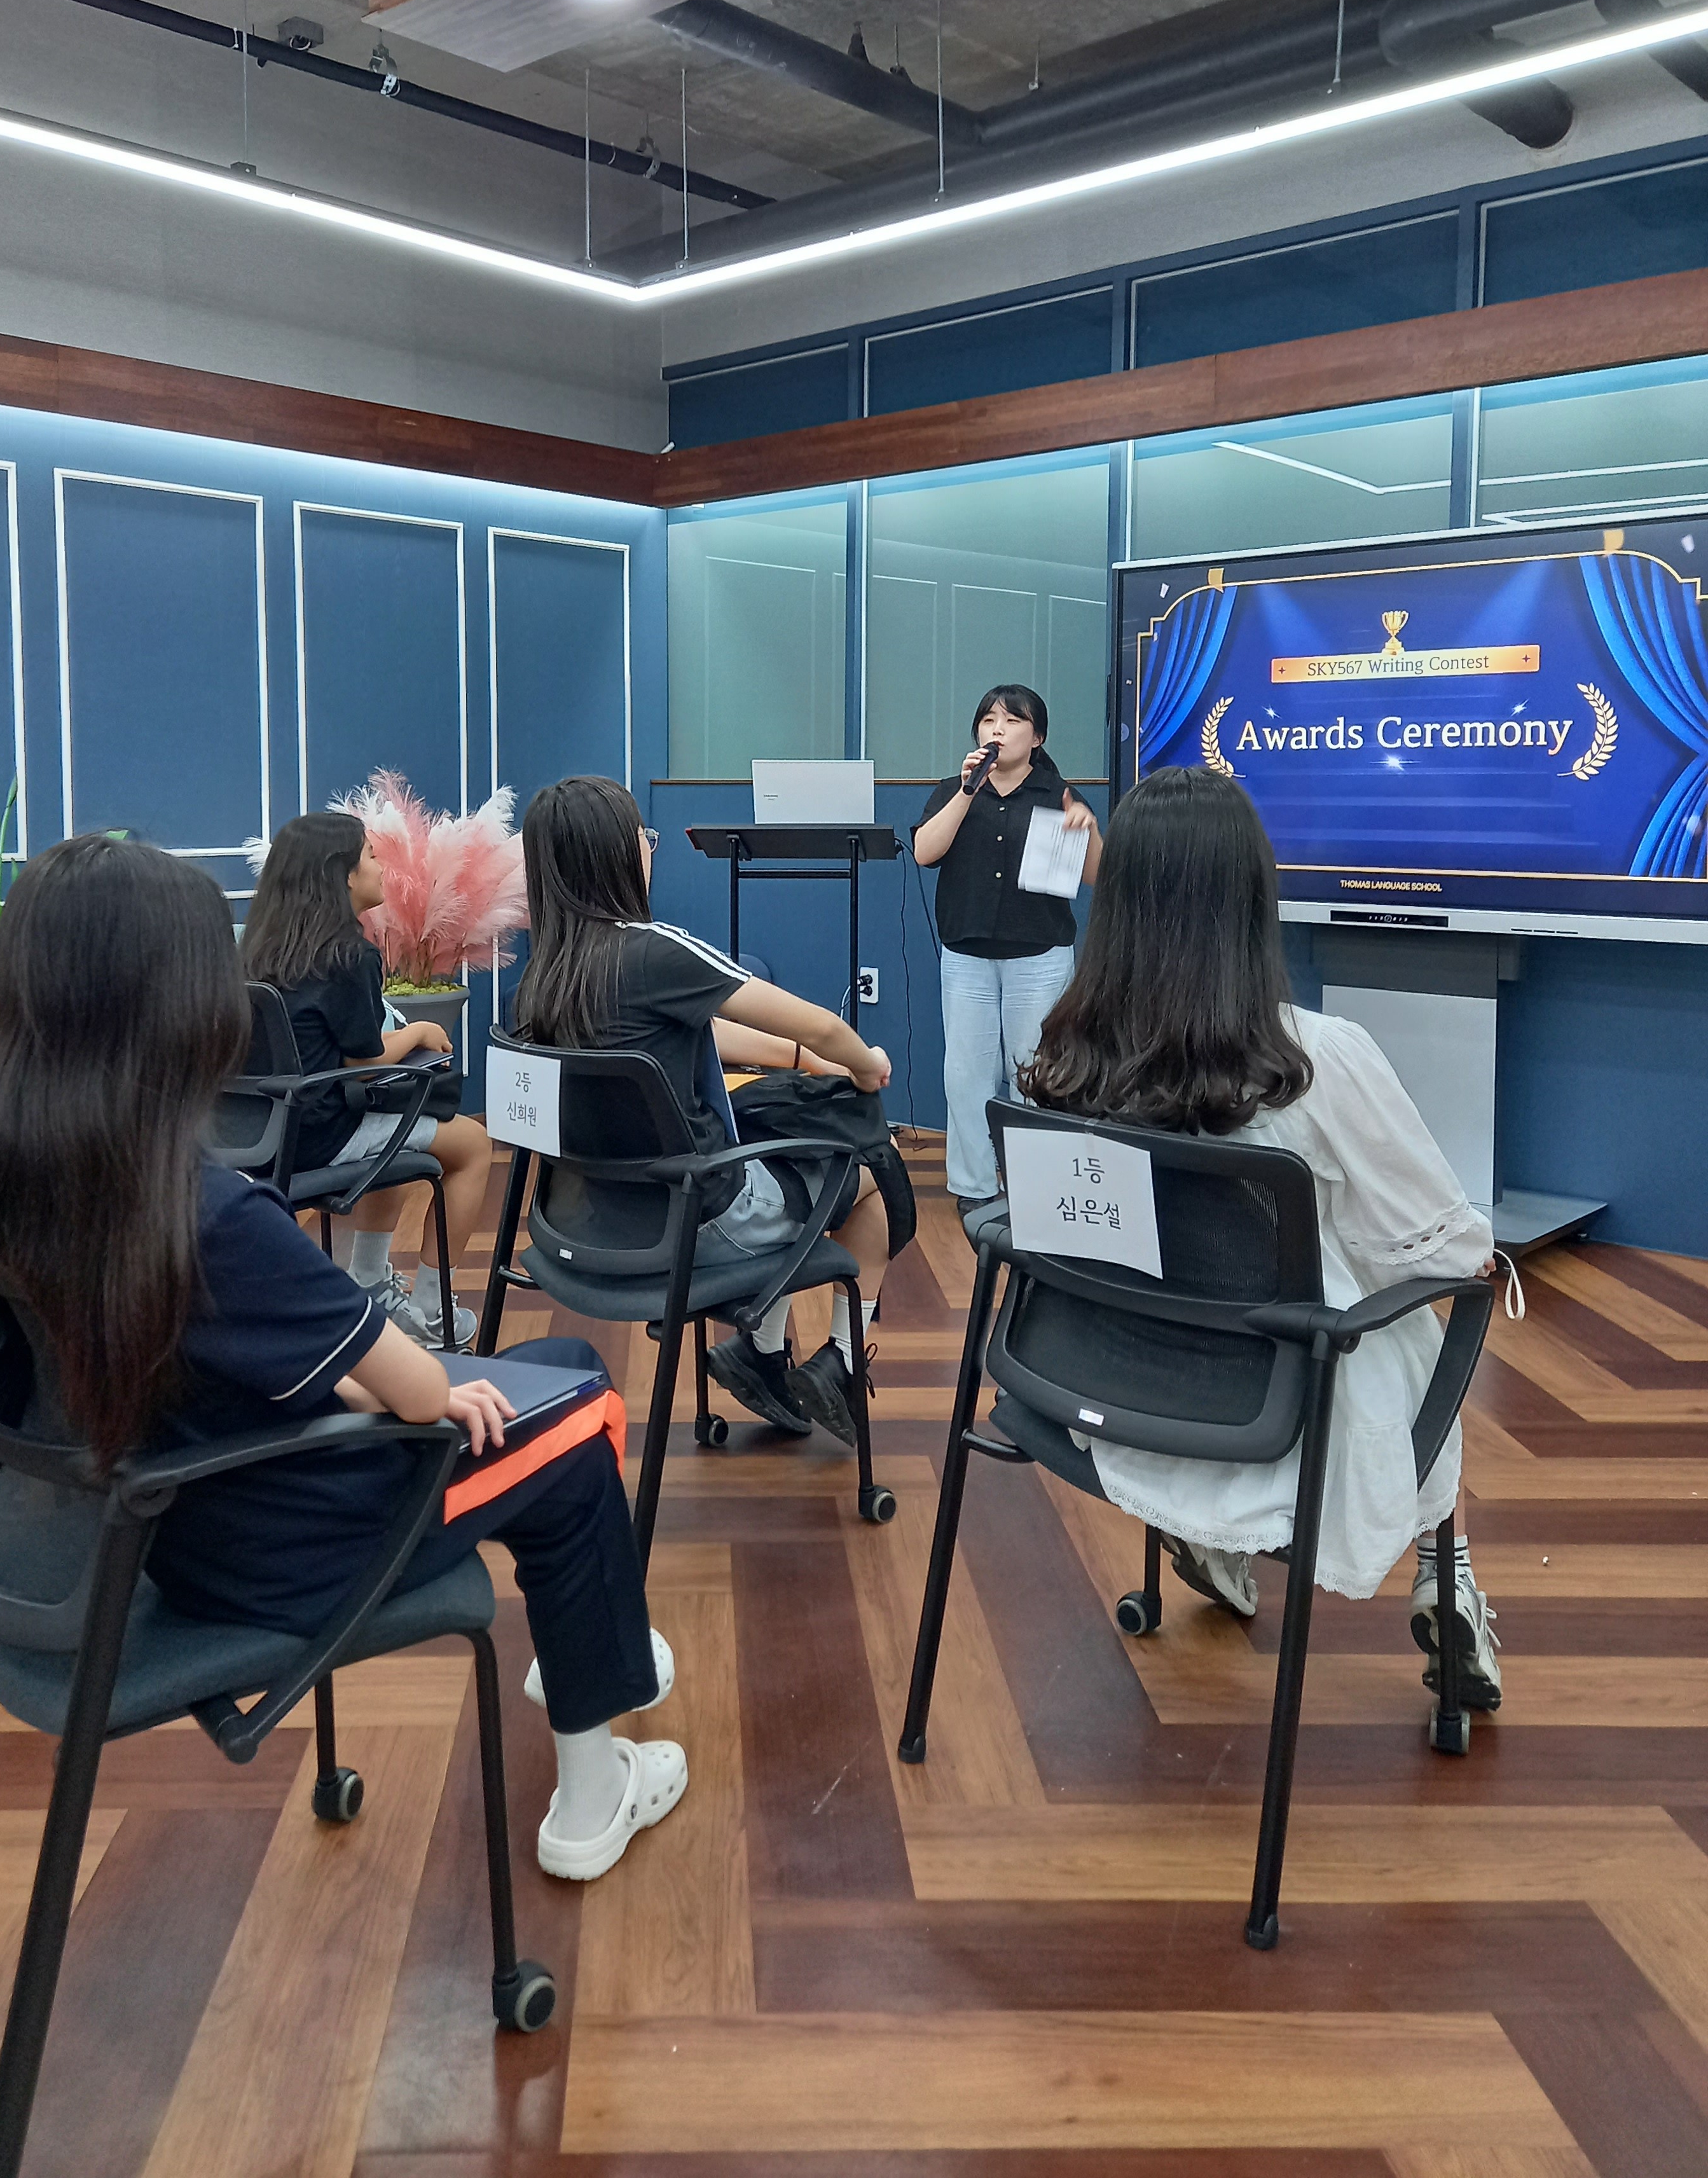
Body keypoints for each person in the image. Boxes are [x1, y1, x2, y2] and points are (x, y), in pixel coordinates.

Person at [0, 834, 685, 1880]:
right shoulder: (197, 1212)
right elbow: (415, 1392)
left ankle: (594, 1642)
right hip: (282, 1543)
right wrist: (422, 1384)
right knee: (581, 1419)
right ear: (182, 1007)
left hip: (152, 1504)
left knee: (546, 1378)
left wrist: (393, 1373)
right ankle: (595, 1795)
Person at [1019, 766, 1502, 1707]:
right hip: (1283, 1409)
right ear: (1252, 901)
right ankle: (1450, 1578)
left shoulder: (1065, 1053)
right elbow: (1437, 1246)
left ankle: (1207, 1537)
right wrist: (1477, 1257)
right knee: (1419, 1311)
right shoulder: (1315, 1058)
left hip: (1106, 1383)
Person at [513, 776, 892, 1446]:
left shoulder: (548, 975)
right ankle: (839, 1358)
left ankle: (763, 1354)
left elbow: (701, 1029)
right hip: (698, 1221)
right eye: (646, 839)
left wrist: (801, 1060)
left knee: (783, 1134)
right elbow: (825, 1026)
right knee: (872, 1180)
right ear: (619, 856)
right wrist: (864, 1064)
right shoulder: (656, 947)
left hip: (590, 1218)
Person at [239, 811, 493, 1348]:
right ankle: (430, 1311)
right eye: (371, 857)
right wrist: (421, 1029)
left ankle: (373, 1284)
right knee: (471, 1144)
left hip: (254, 1133)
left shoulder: (256, 949)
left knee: (401, 1127)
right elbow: (366, 1060)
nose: (381, 867)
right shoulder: (349, 955)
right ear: (343, 875)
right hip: (319, 1132)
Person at [914, 685, 1103, 1218]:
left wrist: (1088, 832)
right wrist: (967, 791)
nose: (998, 730)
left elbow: (1098, 878)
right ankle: (974, 1188)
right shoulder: (956, 788)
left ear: (1037, 737)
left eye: (1013, 721)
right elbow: (926, 852)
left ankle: (1035, 1189)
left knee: (1035, 1073)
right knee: (967, 1074)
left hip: (1038, 955)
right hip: (968, 953)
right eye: (989, 720)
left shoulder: (1058, 793)